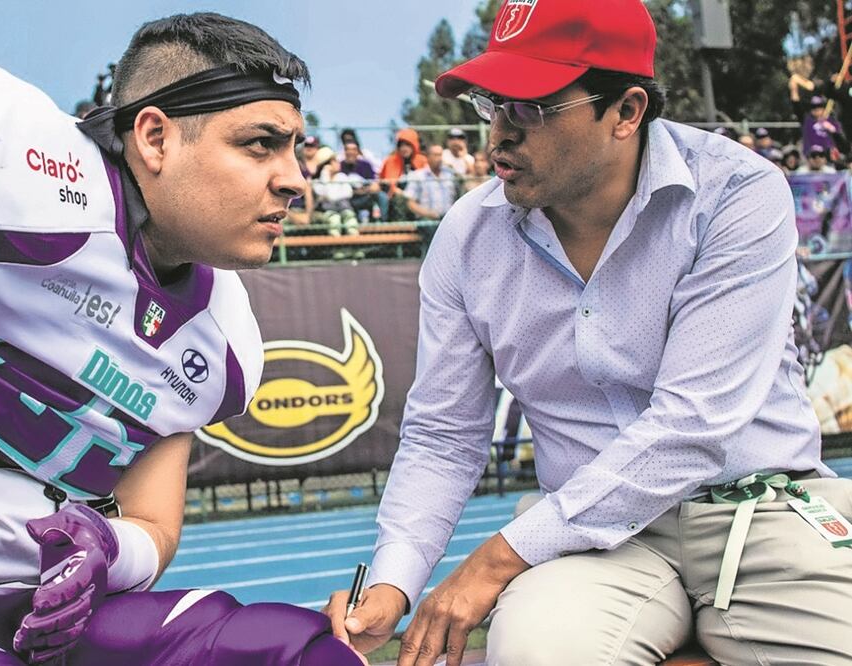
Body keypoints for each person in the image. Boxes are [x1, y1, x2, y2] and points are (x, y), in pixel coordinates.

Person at [0, 12, 364, 666]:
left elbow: (153, 523)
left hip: (30, 609)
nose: (294, 179)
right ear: (156, 138)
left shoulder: (220, 340)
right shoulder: (22, 183)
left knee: (300, 654)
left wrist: (107, 548)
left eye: (295, 149)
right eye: (259, 144)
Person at [324, 1, 852, 665]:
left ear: (626, 111)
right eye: (491, 104)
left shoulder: (735, 193)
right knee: (535, 653)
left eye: (529, 108)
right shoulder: (467, 236)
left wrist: (495, 561)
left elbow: (693, 424)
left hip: (756, 508)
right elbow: (443, 432)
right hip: (588, 543)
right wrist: (392, 582)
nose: (497, 136)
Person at [379, 128, 428, 219]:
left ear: (414, 145)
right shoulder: (391, 161)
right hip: (398, 198)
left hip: (419, 197)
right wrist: (403, 194)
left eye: (407, 145)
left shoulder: (422, 160)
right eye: (401, 145)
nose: (404, 148)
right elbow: (388, 184)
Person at [404, 145, 458, 221]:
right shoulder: (418, 176)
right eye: (435, 155)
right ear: (428, 157)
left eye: (440, 155)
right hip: (427, 220)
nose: (439, 158)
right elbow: (410, 203)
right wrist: (428, 213)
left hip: (449, 219)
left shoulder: (449, 174)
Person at [339, 141, 386, 221]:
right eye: (348, 149)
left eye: (353, 149)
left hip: (365, 196)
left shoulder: (365, 165)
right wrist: (356, 191)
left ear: (358, 152)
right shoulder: (339, 166)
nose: (350, 152)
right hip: (348, 199)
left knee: (382, 196)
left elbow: (374, 185)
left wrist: (364, 190)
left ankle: (383, 223)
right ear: (344, 152)